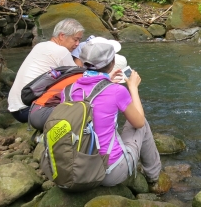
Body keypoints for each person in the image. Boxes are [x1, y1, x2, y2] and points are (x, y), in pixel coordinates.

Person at [61, 40, 161, 186]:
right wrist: (133, 88)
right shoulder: (116, 91)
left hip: (73, 171)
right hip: (108, 173)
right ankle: (153, 177)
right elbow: (139, 122)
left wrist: (107, 81)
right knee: (141, 123)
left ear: (82, 63)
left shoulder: (68, 90)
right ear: (113, 63)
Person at [28, 36, 123, 130]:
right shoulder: (83, 77)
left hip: (36, 109)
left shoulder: (79, 73)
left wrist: (107, 80)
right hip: (43, 113)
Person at [8, 18, 84, 122]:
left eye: (79, 40)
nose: (77, 44)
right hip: (30, 110)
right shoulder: (61, 51)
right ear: (62, 36)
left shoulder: (40, 45)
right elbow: (80, 78)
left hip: (15, 109)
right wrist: (80, 58)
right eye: (75, 39)